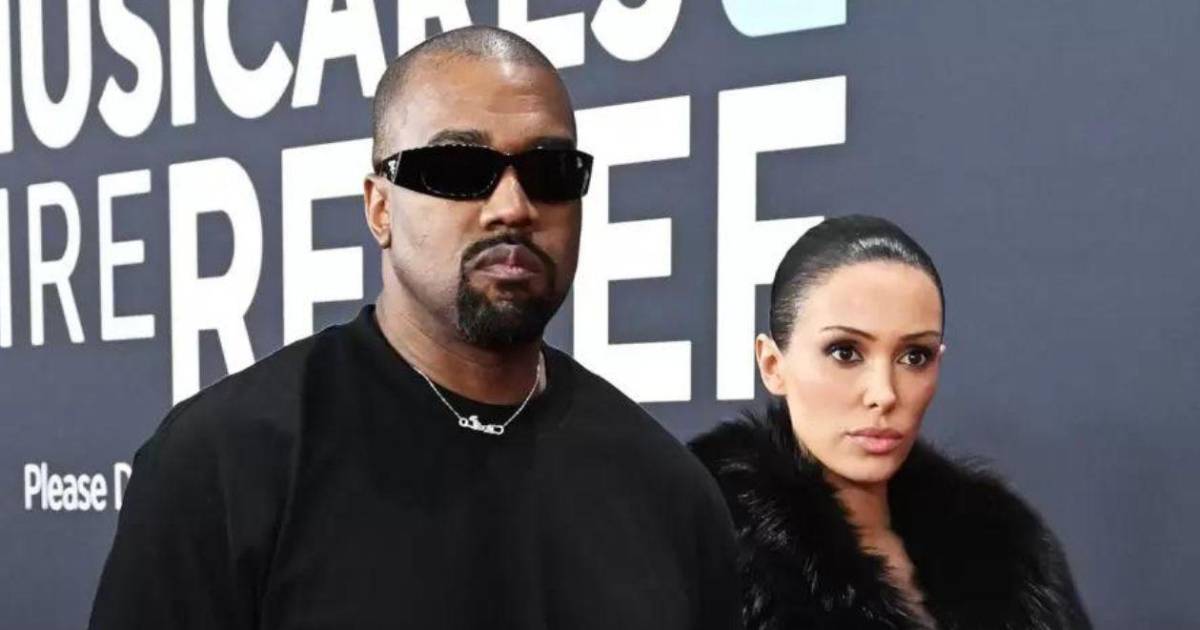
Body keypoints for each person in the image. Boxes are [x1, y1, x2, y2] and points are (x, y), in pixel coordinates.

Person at [89, 26, 739, 630]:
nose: (512, 207)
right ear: (380, 209)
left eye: (550, 173)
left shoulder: (669, 492)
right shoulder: (226, 463)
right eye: (459, 170)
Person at [690, 215, 1091, 629]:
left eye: (915, 356)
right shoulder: (702, 549)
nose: (884, 393)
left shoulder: (1010, 553)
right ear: (772, 365)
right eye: (845, 352)